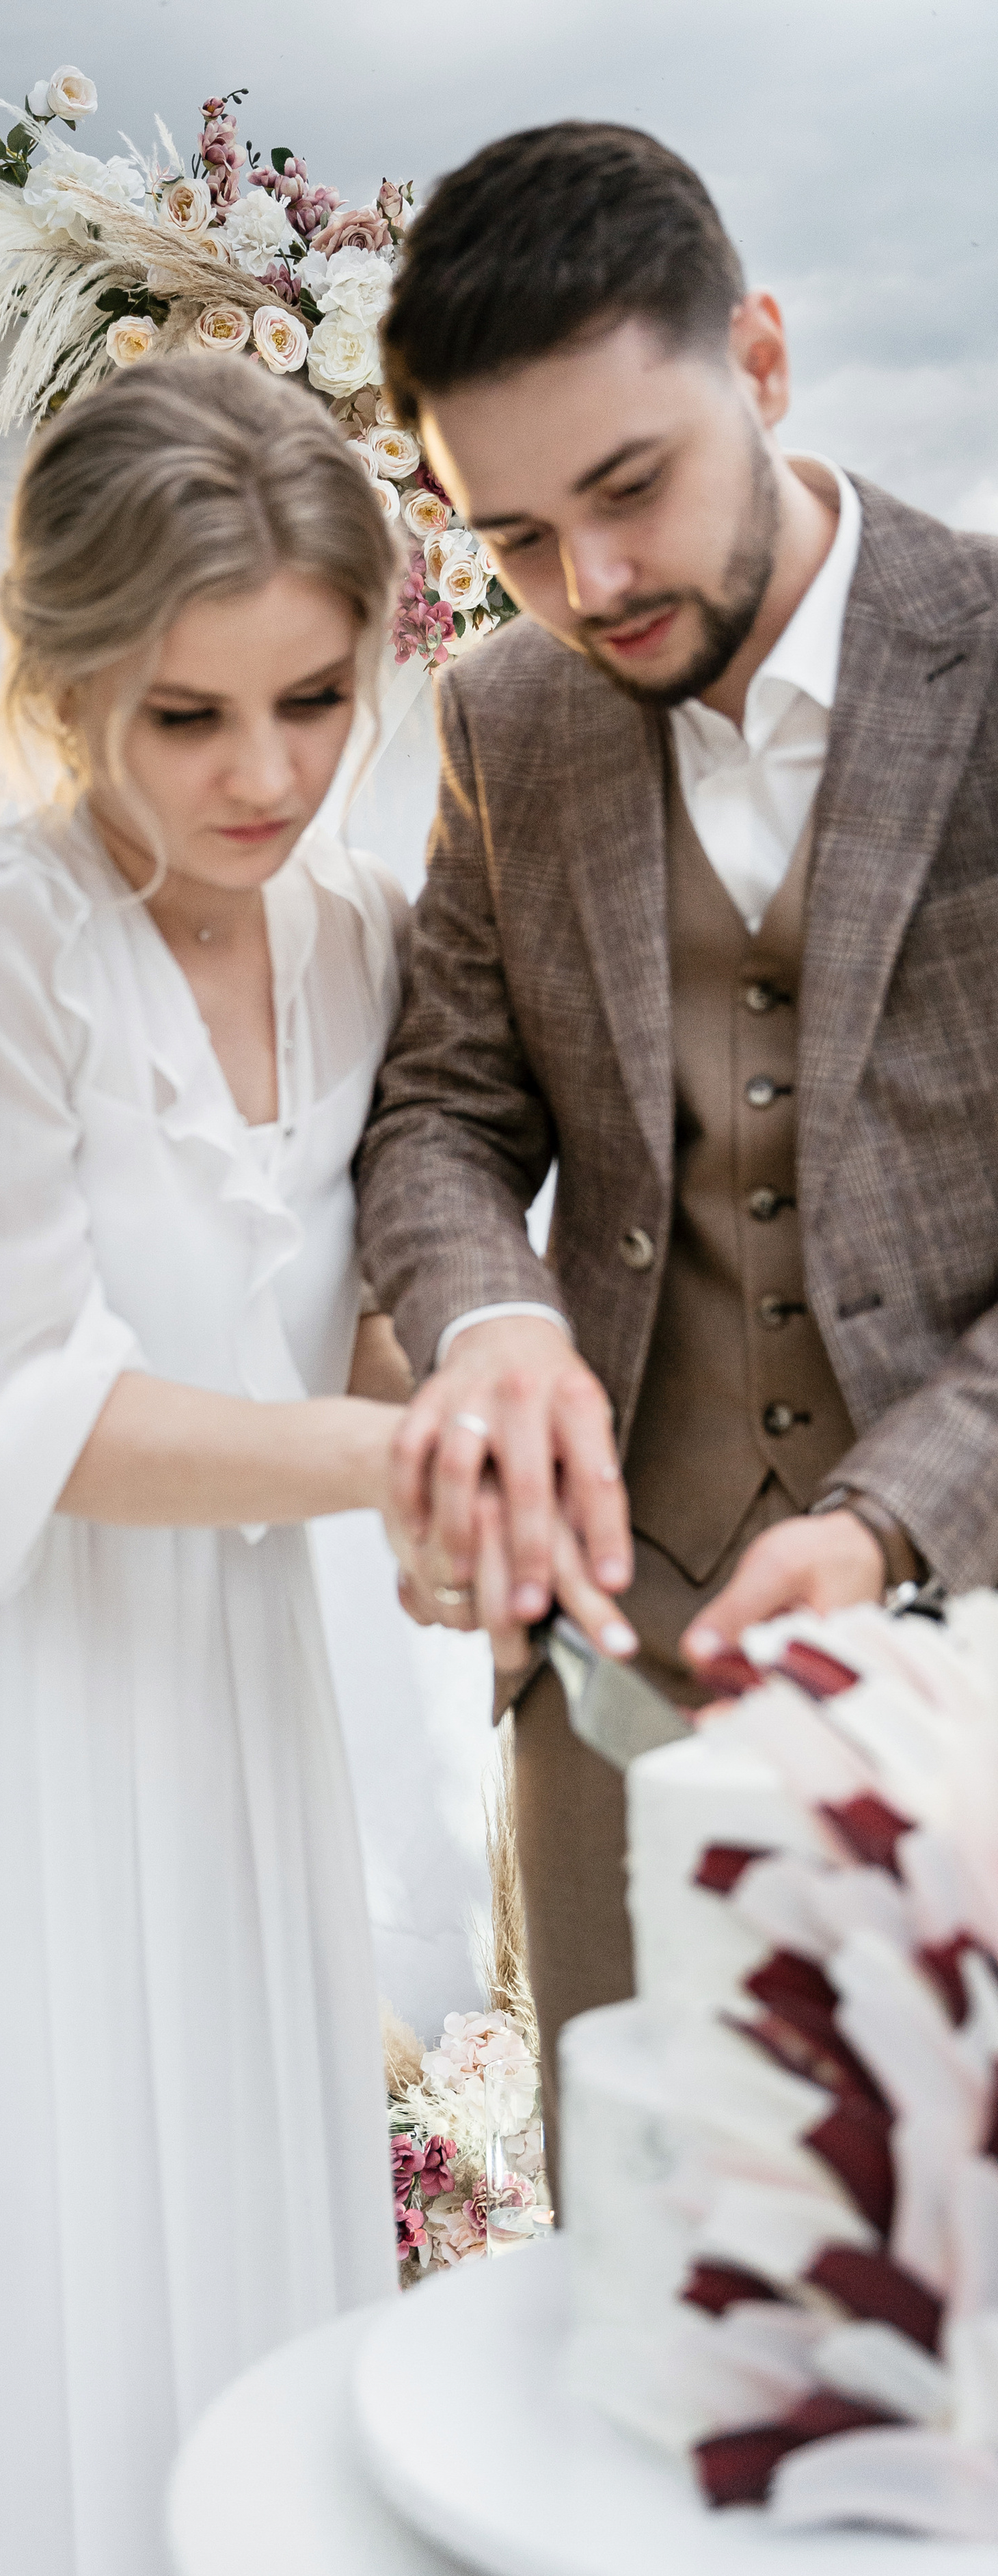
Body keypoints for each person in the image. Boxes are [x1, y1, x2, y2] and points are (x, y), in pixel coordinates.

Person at [0, 353, 419, 2576]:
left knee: (229, 2251)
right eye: (186, 718)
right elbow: (32, 1398)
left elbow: (370, 1300)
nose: (266, 778)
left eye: (312, 700)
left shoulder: (366, 943)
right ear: (62, 688)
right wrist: (398, 1458)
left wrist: (484, 1415)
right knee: (15, 2292)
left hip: (227, 1686)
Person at [358, 121, 998, 2146]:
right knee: (642, 2272)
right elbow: (445, 1112)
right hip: (617, 1663)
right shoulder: (504, 719)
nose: (593, 584)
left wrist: (889, 1522)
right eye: (520, 539)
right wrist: (492, 1330)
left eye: (631, 488)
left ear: (770, 361)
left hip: (980, 1628)